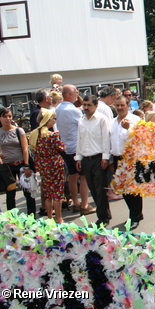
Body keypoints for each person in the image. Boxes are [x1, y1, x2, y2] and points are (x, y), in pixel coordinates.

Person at [75, 95, 111, 227]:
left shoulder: (102, 119)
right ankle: (104, 213)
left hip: (98, 158)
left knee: (100, 189)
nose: (86, 107)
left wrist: (105, 157)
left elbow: (106, 139)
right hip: (86, 158)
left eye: (89, 105)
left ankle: (103, 218)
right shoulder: (81, 120)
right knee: (93, 189)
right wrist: (78, 157)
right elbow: (79, 139)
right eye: (84, 105)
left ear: (96, 106)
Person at [56, 85, 93, 215]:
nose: (78, 95)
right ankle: (84, 204)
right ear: (70, 94)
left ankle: (76, 203)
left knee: (72, 175)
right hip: (76, 147)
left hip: (65, 147)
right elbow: (84, 125)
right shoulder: (73, 110)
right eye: (76, 92)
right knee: (83, 176)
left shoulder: (58, 108)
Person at [0, 107, 36, 215]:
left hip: (21, 163)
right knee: (10, 194)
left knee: (27, 192)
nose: (8, 119)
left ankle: (31, 216)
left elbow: (25, 149)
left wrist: (26, 165)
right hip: (8, 166)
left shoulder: (18, 130)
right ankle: (12, 218)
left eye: (10, 116)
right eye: (5, 117)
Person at [110, 95, 143, 230]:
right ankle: (135, 214)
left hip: (131, 158)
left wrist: (128, 128)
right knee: (123, 189)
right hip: (118, 158)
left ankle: (135, 216)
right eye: (117, 105)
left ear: (128, 105)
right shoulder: (112, 122)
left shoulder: (135, 120)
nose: (119, 108)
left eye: (122, 105)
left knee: (133, 190)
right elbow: (111, 141)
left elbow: (139, 139)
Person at [28, 109, 65, 223]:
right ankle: (58, 218)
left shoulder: (34, 134)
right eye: (53, 118)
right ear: (47, 120)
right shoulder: (52, 135)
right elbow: (62, 148)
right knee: (57, 192)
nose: (54, 121)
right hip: (54, 164)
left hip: (43, 165)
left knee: (48, 192)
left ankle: (49, 217)